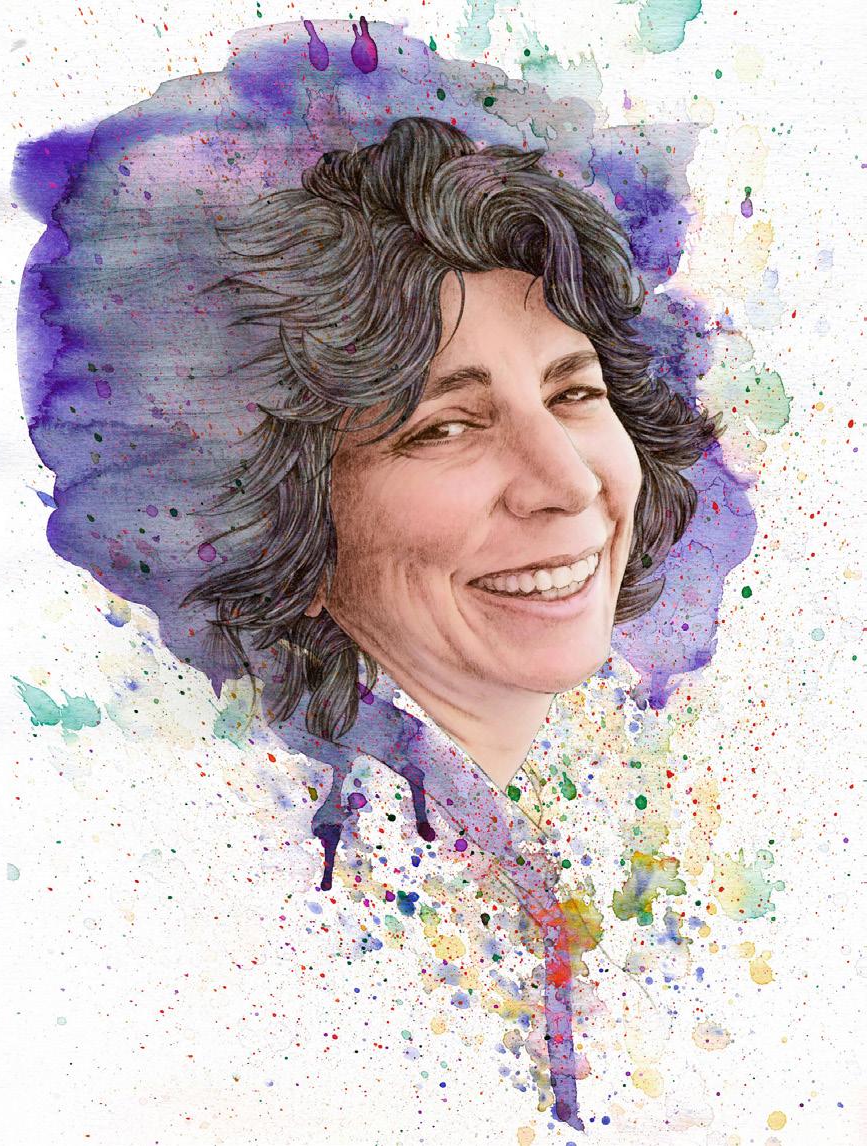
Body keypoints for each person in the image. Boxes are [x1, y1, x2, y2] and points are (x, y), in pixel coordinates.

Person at [177, 115, 719, 1128]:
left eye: (574, 392)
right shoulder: (287, 898)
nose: (568, 483)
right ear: (290, 519)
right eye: (447, 426)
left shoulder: (628, 808)